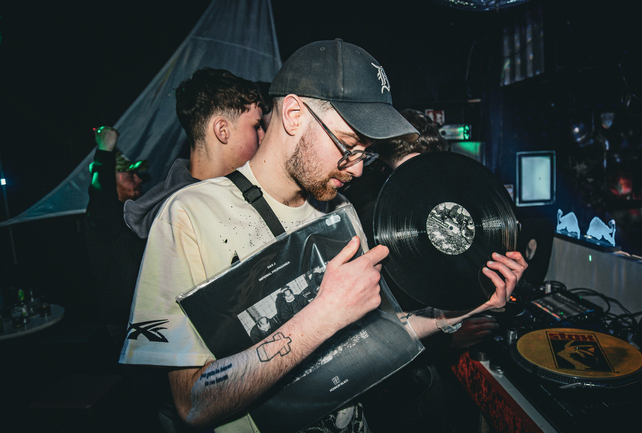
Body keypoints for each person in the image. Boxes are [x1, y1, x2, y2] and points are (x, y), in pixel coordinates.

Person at [120, 40, 526, 433]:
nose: (358, 169)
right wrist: (323, 315)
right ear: (294, 114)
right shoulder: (189, 215)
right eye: (348, 146)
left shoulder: (340, 211)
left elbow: (377, 336)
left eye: (365, 153)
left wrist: (462, 310)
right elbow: (192, 403)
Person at [342, 110, 498, 431]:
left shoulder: (439, 208)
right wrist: (447, 338)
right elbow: (370, 333)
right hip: (402, 384)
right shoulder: (363, 218)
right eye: (403, 175)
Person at [124, 67, 265, 239]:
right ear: (222, 130)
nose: (263, 136)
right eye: (256, 126)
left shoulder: (245, 191)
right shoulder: (176, 218)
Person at [84, 125, 148, 351]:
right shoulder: (102, 215)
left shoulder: (132, 211)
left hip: (144, 314)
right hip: (123, 321)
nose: (138, 180)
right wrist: (104, 150)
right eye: (130, 175)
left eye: (137, 174)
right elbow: (100, 192)